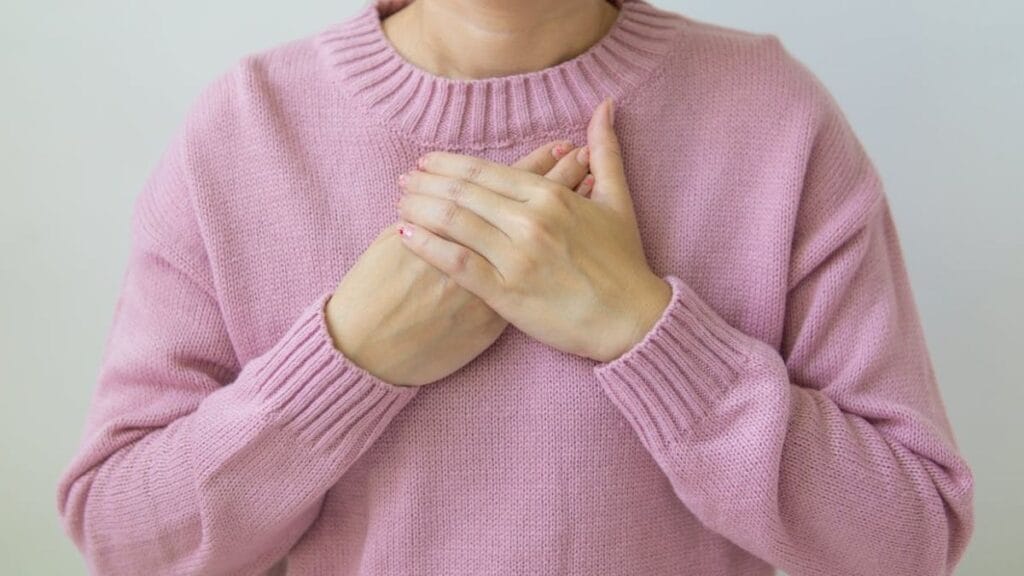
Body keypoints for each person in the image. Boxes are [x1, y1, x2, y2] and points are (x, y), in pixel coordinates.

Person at [56, 0, 975, 574]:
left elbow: (908, 542)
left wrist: (642, 331)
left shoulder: (773, 115)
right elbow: (124, 539)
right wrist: (345, 362)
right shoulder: (244, 129)